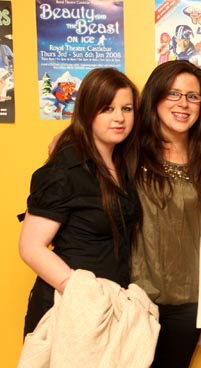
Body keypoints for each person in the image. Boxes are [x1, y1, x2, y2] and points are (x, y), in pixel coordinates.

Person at [18, 68, 140, 336]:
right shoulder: (65, 169)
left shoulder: (125, 163)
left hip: (111, 308)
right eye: (107, 108)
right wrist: (81, 292)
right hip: (67, 309)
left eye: (127, 108)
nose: (119, 118)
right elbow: (31, 247)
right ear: (88, 111)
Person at [130, 60, 201, 368]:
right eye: (173, 94)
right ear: (154, 98)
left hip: (188, 300)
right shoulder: (129, 150)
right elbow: (93, 132)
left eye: (192, 96)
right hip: (135, 296)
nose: (183, 103)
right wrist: (69, 137)